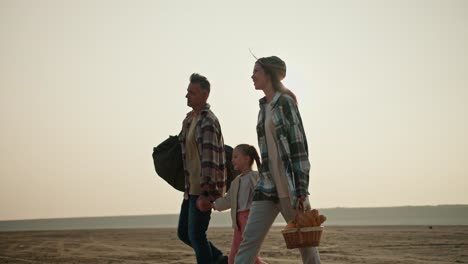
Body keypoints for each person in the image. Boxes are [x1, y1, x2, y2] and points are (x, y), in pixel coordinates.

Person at [234, 56, 321, 264]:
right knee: (248, 243)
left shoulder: (285, 103)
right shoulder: (263, 108)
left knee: (308, 252)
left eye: (256, 71)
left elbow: (299, 147)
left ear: (268, 74)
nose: (252, 76)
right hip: (267, 188)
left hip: (291, 191)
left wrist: (301, 190)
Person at [177, 73, 228, 264]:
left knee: (197, 235)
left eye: (192, 92)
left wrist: (207, 192)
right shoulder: (191, 119)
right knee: (184, 233)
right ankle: (219, 259)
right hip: (191, 188)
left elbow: (210, 158)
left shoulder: (207, 120)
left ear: (205, 94)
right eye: (187, 91)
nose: (187, 96)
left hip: (203, 188)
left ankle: (216, 260)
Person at [211, 144, 264, 264]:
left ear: (247, 158)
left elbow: (263, 194)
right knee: (236, 256)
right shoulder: (236, 182)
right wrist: (213, 205)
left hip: (250, 219)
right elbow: (228, 200)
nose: (232, 160)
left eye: (235, 156)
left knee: (247, 254)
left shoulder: (255, 177)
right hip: (238, 223)